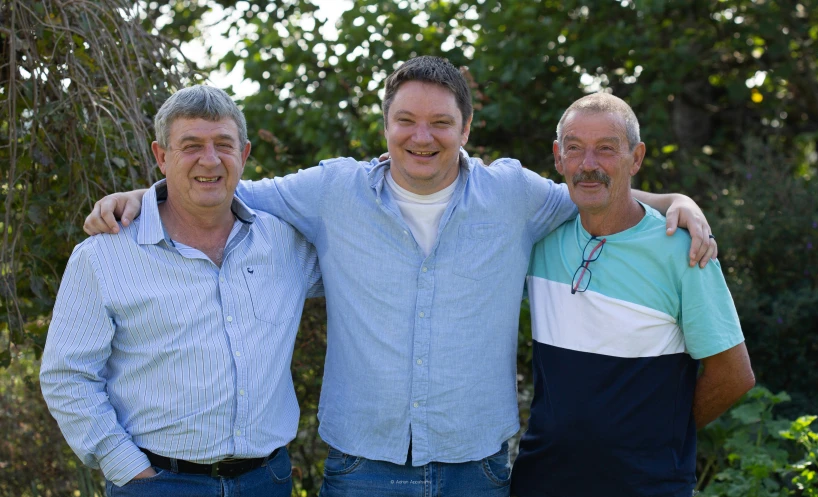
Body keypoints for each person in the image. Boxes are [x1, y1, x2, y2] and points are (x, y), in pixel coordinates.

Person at [82, 57, 718, 496]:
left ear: (466, 130)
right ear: (384, 127)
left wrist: (677, 202)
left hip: (479, 473)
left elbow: (600, 194)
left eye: (441, 123)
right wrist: (145, 193)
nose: (422, 137)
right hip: (362, 471)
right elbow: (217, 184)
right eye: (406, 121)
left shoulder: (516, 196)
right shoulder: (331, 191)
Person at [40, 85, 322, 496]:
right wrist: (127, 467)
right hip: (159, 483)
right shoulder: (103, 256)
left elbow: (365, 264)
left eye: (223, 145)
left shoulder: (285, 244)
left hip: (268, 480)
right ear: (161, 156)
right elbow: (68, 375)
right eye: (190, 146)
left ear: (243, 155)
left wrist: (397, 173)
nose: (209, 160)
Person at [510, 93, 755, 497]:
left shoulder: (683, 249)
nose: (588, 164)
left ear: (636, 158)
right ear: (558, 157)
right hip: (542, 480)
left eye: (606, 149)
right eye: (575, 148)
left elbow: (734, 375)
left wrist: (662, 433)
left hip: (647, 485)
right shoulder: (540, 237)